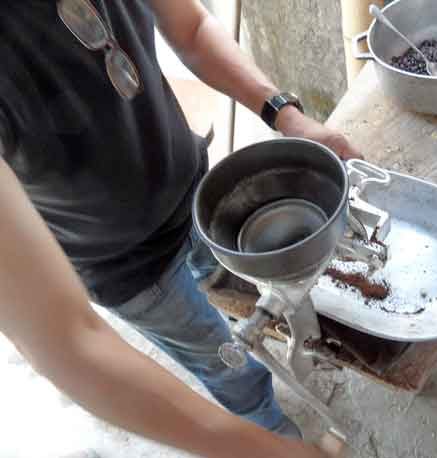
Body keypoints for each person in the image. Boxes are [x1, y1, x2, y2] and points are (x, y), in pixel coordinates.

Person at [0, 1, 358, 457]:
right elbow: (67, 341)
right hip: (125, 267)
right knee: (223, 363)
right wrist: (264, 452)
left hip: (199, 193)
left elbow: (190, 28)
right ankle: (268, 423)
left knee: (252, 302)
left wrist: (286, 115)